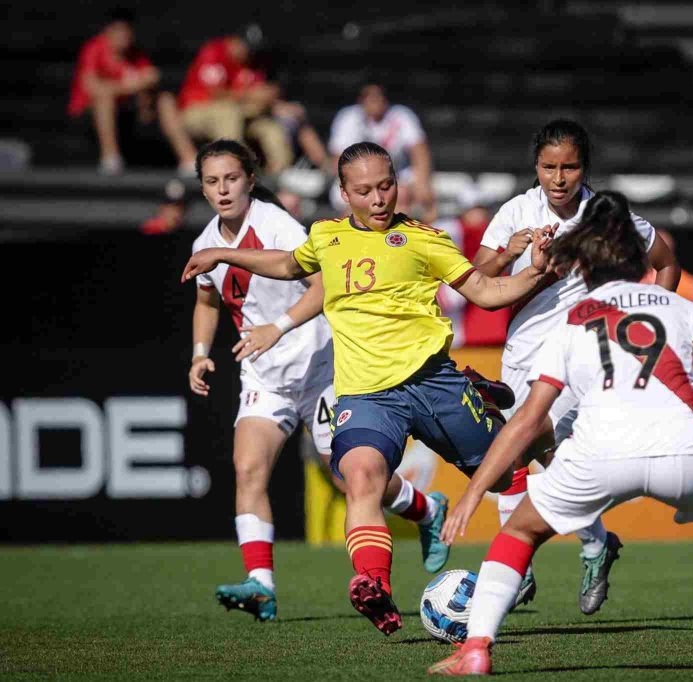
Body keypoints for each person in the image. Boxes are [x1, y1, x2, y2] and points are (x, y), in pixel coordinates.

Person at [182, 142, 557, 636]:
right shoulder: (326, 237)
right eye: (364, 190)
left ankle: (521, 556)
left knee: (509, 472)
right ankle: (373, 583)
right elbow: (289, 266)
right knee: (361, 478)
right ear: (343, 193)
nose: (378, 199)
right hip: (364, 395)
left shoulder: (425, 238)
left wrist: (534, 271)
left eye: (386, 186)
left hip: (432, 383)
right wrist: (222, 253)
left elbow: (487, 294)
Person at [429, 191, 693, 676]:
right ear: (638, 257)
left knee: (519, 531)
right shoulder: (678, 307)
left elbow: (530, 419)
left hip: (600, 457)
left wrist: (474, 492)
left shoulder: (572, 320)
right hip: (685, 452)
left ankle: (476, 652)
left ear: (582, 258)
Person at [187, 140, 450, 623]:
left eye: (230, 178)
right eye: (211, 181)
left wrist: (278, 327)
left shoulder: (275, 225)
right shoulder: (205, 242)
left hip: (319, 366)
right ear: (202, 187)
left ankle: (426, 511)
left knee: (350, 474)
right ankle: (261, 586)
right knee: (247, 468)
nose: (222, 189)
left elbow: (325, 284)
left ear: (249, 178)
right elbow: (206, 299)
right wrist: (200, 354)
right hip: (265, 375)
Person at [472, 119, 681, 614]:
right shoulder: (517, 211)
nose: (559, 178)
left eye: (569, 167)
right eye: (549, 167)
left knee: (529, 445)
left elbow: (666, 262)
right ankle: (595, 544)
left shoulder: (605, 215)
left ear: (585, 168)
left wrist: (647, 316)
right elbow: (476, 278)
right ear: (536, 168)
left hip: (582, 351)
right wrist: (510, 253)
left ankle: (521, 560)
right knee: (533, 457)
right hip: (522, 350)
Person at [67, 9, 196, 174]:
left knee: (166, 100)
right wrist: (132, 86)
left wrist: (145, 91)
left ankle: (188, 159)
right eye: (119, 31)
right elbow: (92, 87)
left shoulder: (135, 53)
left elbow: (149, 79)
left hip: (128, 113)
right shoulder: (94, 49)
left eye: (127, 31)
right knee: (105, 98)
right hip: (90, 114)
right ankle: (111, 158)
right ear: (108, 32)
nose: (124, 35)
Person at [178, 27, 293, 174]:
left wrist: (271, 99)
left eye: (252, 49)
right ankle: (233, 170)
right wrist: (252, 96)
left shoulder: (251, 62)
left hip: (238, 113)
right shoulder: (214, 52)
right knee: (228, 112)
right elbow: (215, 93)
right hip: (197, 110)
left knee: (270, 127)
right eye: (245, 46)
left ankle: (279, 176)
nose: (248, 52)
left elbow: (260, 95)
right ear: (234, 42)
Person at [327, 81, 437, 221]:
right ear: (361, 100)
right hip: (359, 178)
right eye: (371, 97)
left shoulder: (402, 115)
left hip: (397, 176)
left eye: (380, 97)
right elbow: (338, 159)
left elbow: (420, 151)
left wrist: (422, 184)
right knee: (353, 199)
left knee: (411, 197)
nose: (376, 101)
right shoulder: (348, 117)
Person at [435, 187, 512, 347]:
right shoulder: (450, 232)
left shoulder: (500, 234)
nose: (477, 215)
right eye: (472, 209)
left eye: (481, 208)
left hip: (492, 326)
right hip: (459, 326)